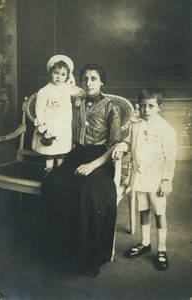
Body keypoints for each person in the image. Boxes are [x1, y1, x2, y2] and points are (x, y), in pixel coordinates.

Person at [40, 63, 129, 277]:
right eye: (85, 78)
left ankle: (85, 259)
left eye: (94, 79)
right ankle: (61, 255)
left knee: (87, 194)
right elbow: (54, 105)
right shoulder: (76, 101)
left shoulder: (111, 107)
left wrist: (92, 165)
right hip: (76, 154)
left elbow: (115, 144)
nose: (89, 83)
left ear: (102, 82)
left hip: (101, 159)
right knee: (54, 184)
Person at [124, 88, 177, 271]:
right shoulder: (135, 124)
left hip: (157, 179)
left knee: (158, 212)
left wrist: (166, 179)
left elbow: (170, 157)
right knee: (144, 210)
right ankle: (145, 243)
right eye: (143, 106)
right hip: (140, 176)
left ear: (159, 108)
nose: (146, 110)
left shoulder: (165, 129)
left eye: (151, 106)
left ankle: (161, 249)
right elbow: (128, 142)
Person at [32, 55, 85, 172]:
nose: (58, 77)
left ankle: (60, 171)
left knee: (62, 148)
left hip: (64, 124)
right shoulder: (44, 90)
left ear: (67, 76)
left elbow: (81, 92)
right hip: (50, 123)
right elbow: (39, 109)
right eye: (56, 73)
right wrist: (42, 124)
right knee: (50, 149)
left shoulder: (68, 88)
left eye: (62, 75)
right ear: (50, 72)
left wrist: (78, 99)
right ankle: (49, 169)